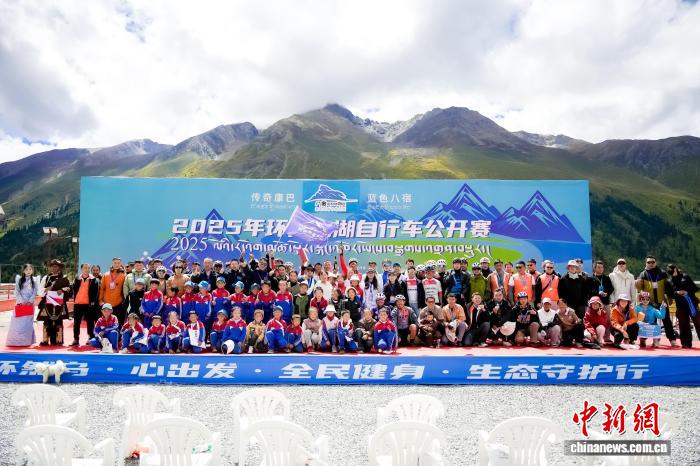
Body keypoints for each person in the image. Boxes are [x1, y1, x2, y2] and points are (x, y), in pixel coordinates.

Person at [636, 256, 677, 347]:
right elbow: (639, 288)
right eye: (649, 262)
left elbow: (668, 288)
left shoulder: (662, 273)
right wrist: (637, 284)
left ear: (656, 262)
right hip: (649, 303)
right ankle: (643, 339)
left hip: (662, 301)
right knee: (648, 321)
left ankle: (672, 340)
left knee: (667, 321)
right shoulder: (643, 274)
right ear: (646, 263)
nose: (651, 264)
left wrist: (670, 299)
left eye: (653, 262)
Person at [37, 259, 71, 346]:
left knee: (58, 321)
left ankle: (58, 340)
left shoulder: (65, 278)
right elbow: (40, 291)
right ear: (50, 267)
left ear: (59, 267)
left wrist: (62, 290)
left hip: (59, 304)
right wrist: (46, 289)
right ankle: (45, 340)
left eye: (56, 266)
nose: (54, 268)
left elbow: (69, 289)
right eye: (52, 266)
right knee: (46, 321)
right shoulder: (46, 278)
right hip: (47, 304)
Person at [7, 264, 41, 346]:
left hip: (30, 304)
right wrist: (22, 301)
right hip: (20, 303)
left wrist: (30, 301)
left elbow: (35, 292)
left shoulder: (35, 280)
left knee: (27, 323)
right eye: (26, 269)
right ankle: (15, 341)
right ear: (23, 271)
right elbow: (17, 291)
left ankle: (26, 342)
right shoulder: (19, 279)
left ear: (32, 270)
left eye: (30, 269)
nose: (28, 271)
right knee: (18, 322)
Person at [668, 264, 699, 349]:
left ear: (676, 269)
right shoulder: (670, 281)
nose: (671, 270)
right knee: (683, 324)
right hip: (680, 305)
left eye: (672, 269)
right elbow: (670, 294)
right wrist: (678, 292)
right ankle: (686, 343)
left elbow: (695, 288)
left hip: (691, 303)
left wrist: (687, 291)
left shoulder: (685, 277)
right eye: (669, 269)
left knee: (698, 322)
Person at [70, 263, 99, 346]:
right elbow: (74, 290)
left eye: (88, 268)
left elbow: (96, 292)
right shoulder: (77, 279)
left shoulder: (94, 279)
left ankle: (90, 338)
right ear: (81, 269)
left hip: (88, 304)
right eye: (85, 268)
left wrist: (92, 302)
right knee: (76, 322)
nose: (87, 269)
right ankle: (76, 339)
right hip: (78, 303)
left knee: (90, 322)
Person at [99, 257, 126, 324]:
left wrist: (124, 301)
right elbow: (102, 288)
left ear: (121, 264)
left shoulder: (123, 275)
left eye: (118, 263)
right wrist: (100, 300)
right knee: (106, 322)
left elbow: (125, 290)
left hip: (119, 303)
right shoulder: (106, 275)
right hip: (106, 302)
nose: (117, 264)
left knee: (119, 322)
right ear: (112, 263)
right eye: (115, 263)